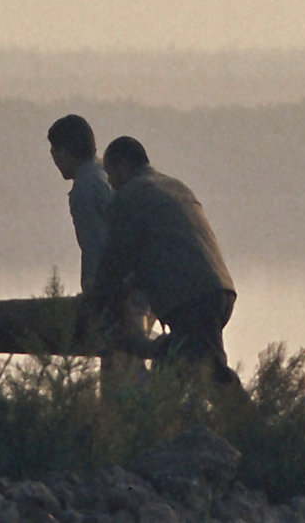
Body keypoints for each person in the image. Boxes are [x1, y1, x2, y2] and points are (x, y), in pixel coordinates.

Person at [87, 135, 240, 389]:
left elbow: (115, 259)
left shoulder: (129, 196)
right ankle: (175, 423)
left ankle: (248, 423)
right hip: (219, 291)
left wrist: (97, 300)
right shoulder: (176, 186)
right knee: (181, 371)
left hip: (190, 298)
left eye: (110, 174)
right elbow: (166, 248)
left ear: (123, 166)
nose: (110, 183)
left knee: (211, 373)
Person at [45, 113, 111, 291]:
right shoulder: (106, 173)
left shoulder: (84, 189)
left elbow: (94, 245)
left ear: (65, 152)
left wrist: (91, 288)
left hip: (116, 285)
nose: (55, 160)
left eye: (55, 152)